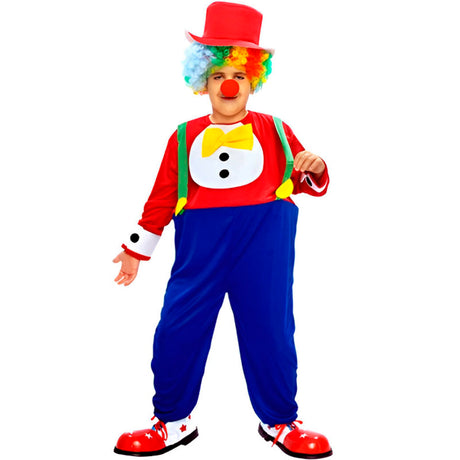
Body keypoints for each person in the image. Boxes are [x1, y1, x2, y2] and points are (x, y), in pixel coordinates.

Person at [112, 2, 332, 458]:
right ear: (203, 82)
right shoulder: (182, 137)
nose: (228, 84)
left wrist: (314, 166)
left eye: (238, 75)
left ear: (253, 81)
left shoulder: (275, 130)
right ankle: (171, 420)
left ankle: (280, 420)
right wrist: (136, 250)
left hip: (263, 251)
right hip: (200, 254)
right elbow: (161, 198)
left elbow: (304, 180)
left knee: (271, 333)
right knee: (176, 330)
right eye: (217, 75)